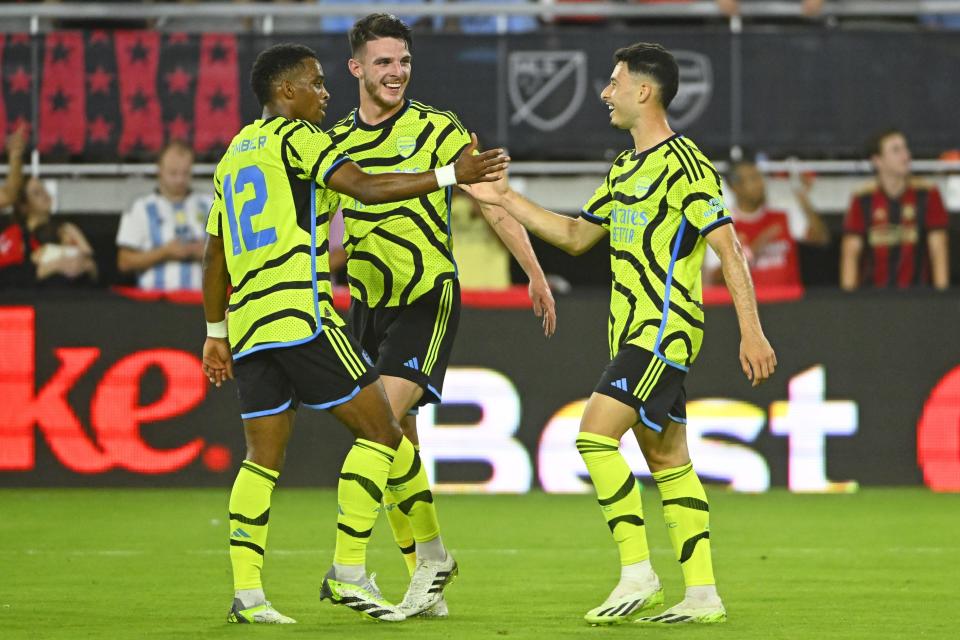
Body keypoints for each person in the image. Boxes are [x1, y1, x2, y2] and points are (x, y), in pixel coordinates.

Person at [463, 42, 776, 626]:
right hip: (629, 334)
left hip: (661, 331)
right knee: (669, 462)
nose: (605, 92)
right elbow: (578, 235)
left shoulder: (685, 163)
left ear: (644, 91)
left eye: (613, 82)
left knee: (592, 437)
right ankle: (703, 593)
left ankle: (638, 572)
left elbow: (728, 246)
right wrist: (503, 195)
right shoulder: (625, 167)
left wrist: (751, 332)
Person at [200, 43, 506, 625]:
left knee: (261, 460)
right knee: (384, 431)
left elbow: (215, 255)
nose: (325, 93)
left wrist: (215, 331)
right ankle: (349, 571)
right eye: (315, 84)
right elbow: (363, 188)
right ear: (285, 92)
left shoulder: (233, 155)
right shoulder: (299, 138)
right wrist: (450, 173)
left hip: (250, 325)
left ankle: (249, 596)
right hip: (303, 316)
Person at [326, 13, 557, 617]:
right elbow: (331, 235)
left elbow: (492, 201)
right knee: (397, 438)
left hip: (427, 295)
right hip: (367, 304)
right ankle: (430, 566)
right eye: (383, 62)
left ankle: (347, 568)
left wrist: (532, 271)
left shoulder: (438, 128)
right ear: (356, 68)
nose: (396, 71)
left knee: (375, 421)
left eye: (403, 60)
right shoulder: (335, 143)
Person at [840, 129, 950, 291]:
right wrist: (848, 303)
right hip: (872, 299)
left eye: (906, 149)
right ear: (878, 161)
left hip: (918, 297)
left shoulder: (927, 194)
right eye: (896, 150)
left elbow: (938, 251)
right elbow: (851, 254)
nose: (906, 156)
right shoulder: (863, 198)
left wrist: (941, 298)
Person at [704, 159, 830, 287]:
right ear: (735, 187)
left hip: (790, 301)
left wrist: (803, 198)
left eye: (760, 177)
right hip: (751, 305)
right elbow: (714, 279)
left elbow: (820, 238)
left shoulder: (782, 214)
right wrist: (751, 251)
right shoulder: (723, 225)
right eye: (753, 179)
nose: (760, 184)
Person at [116, 140, 212, 291]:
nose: (180, 179)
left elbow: (236, 256)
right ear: (159, 170)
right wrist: (164, 253)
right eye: (173, 173)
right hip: (154, 304)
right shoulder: (141, 208)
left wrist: (208, 254)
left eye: (185, 173)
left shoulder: (210, 205)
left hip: (200, 302)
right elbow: (124, 262)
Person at [0, 177, 97, 288]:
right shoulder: (15, 234)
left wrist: (83, 264)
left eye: (44, 189)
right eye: (37, 193)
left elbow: (93, 268)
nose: (45, 195)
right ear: (24, 206)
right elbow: (8, 275)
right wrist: (54, 265)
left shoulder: (66, 229)